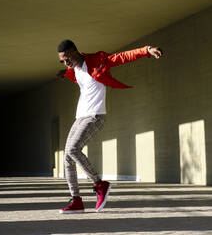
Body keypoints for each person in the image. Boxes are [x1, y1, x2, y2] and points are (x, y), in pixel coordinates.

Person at [56, 39, 163, 214]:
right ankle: (76, 200)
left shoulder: (96, 61)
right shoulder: (73, 70)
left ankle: (99, 184)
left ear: (74, 51)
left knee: (74, 149)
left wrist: (147, 49)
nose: (65, 62)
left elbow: (121, 57)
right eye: (62, 61)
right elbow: (77, 77)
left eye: (66, 58)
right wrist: (64, 72)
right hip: (80, 116)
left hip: (95, 116)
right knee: (67, 156)